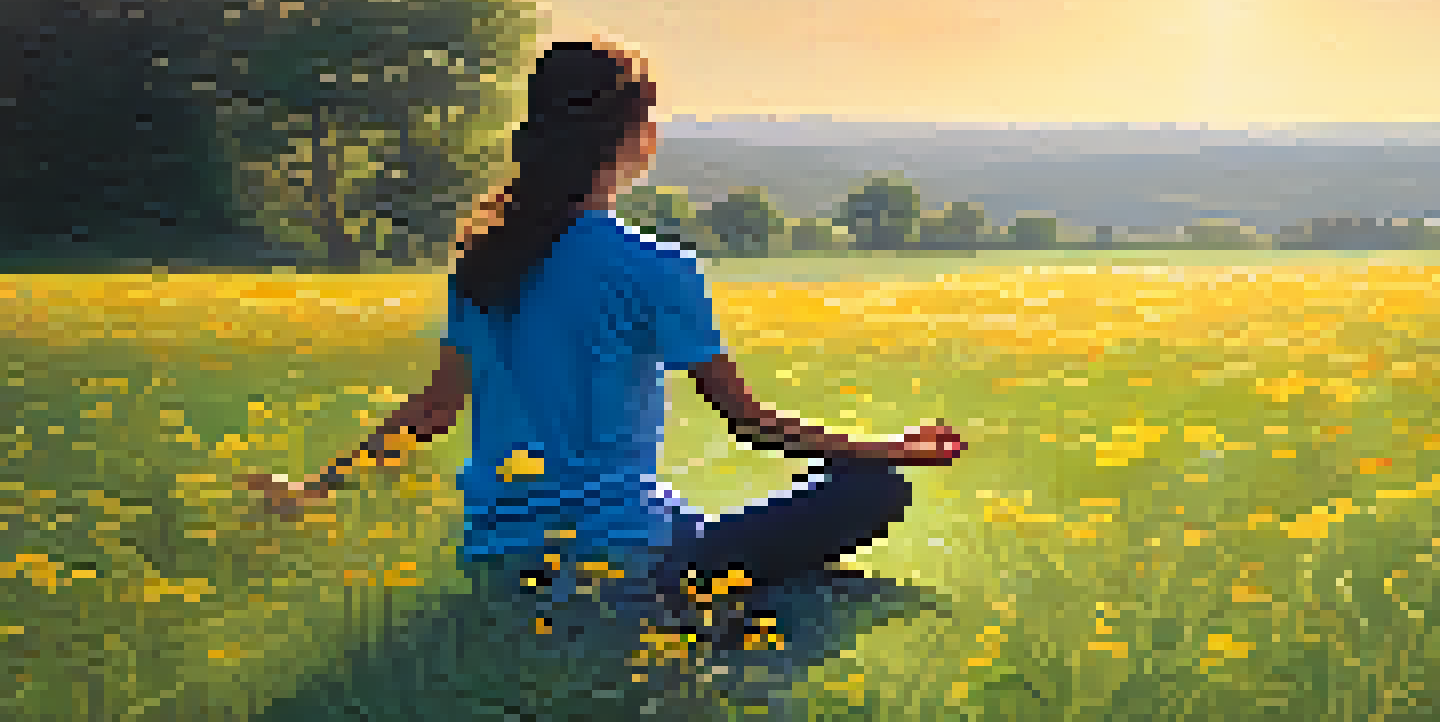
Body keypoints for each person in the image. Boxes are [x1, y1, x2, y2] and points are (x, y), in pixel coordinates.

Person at [246, 39, 965, 641]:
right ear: (632, 139)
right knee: (871, 489)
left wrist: (315, 489)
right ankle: (705, 596)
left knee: (698, 517)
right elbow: (751, 424)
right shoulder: (656, 268)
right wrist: (894, 449)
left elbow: (431, 412)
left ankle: (712, 580)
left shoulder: (487, 261)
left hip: (500, 558)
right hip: (623, 558)